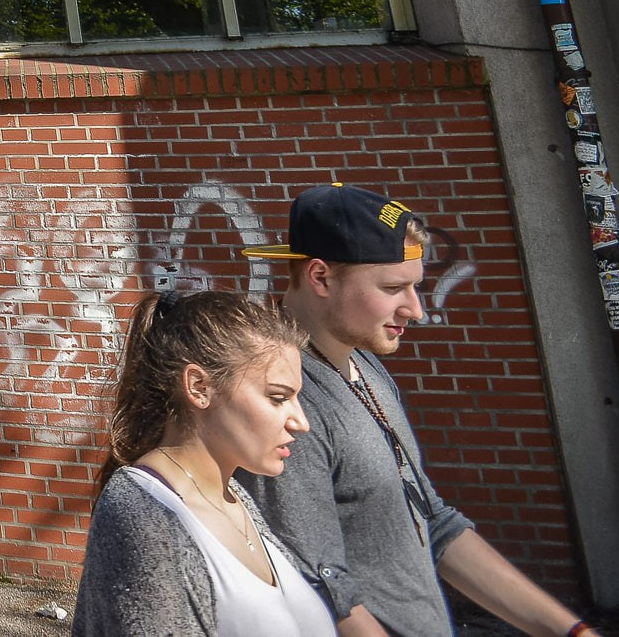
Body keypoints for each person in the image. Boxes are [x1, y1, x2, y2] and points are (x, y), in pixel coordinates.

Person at [241, 185, 595, 637]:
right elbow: (316, 583)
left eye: (416, 286)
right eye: (393, 288)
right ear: (321, 277)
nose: (416, 310)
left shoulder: (364, 364)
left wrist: (571, 631)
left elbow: (434, 523)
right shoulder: (286, 400)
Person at [74, 289, 337, 637]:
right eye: (278, 398)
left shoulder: (233, 497)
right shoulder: (143, 515)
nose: (301, 422)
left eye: (296, 398)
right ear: (199, 387)